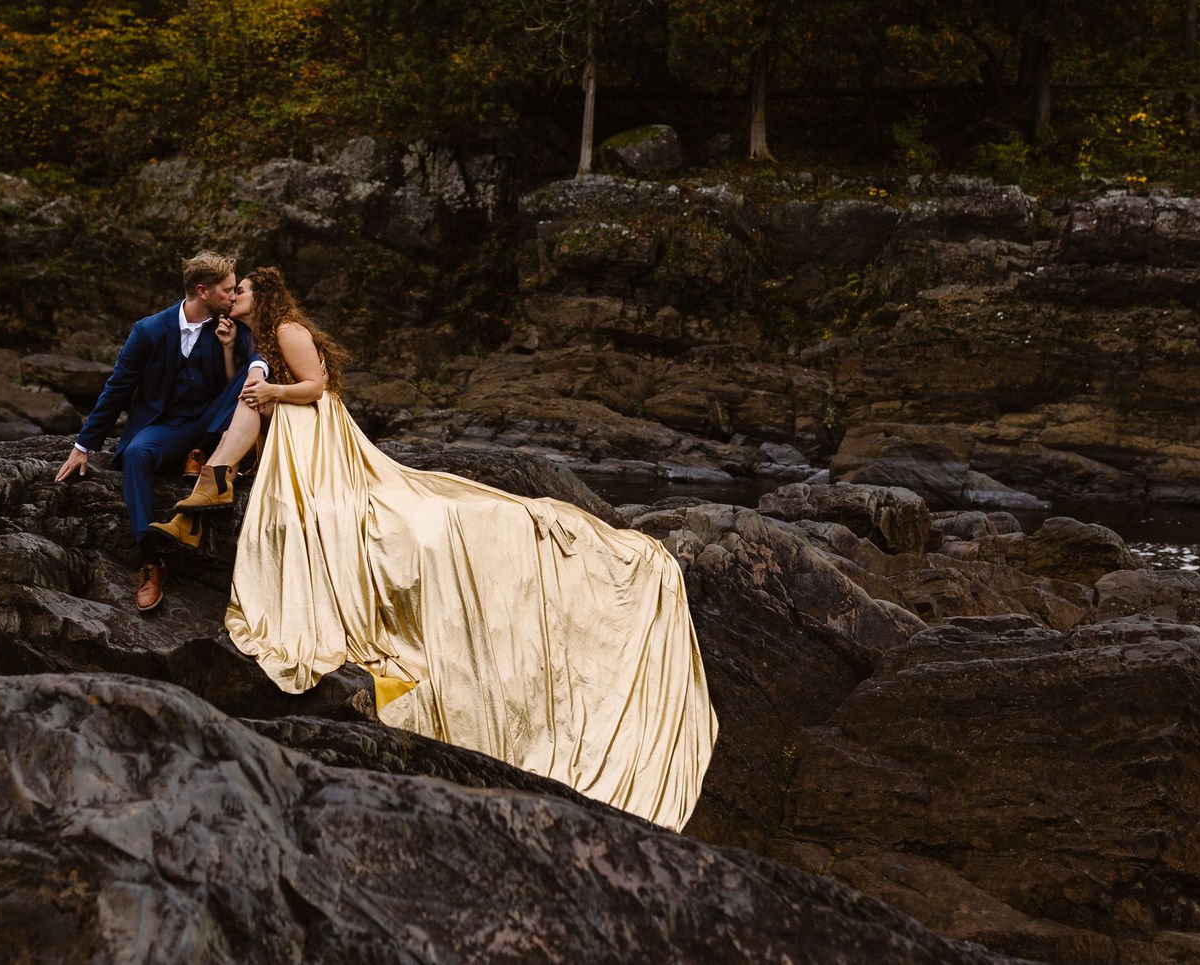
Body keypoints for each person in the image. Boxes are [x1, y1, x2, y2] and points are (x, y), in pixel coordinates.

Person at [212, 267, 718, 831]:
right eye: (233, 292)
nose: (235, 296)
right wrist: (238, 359)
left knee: (393, 516)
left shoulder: (288, 331)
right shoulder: (257, 334)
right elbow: (240, 390)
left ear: (264, 295)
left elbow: (317, 388)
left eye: (243, 290)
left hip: (323, 438)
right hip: (299, 437)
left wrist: (275, 392)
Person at [55, 252, 265, 612]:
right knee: (137, 453)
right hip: (165, 428)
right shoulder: (149, 330)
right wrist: (83, 445)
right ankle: (151, 561)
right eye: (228, 290)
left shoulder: (233, 326)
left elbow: (261, 352)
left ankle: (200, 452)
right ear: (203, 291)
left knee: (251, 377)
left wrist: (255, 366)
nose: (234, 296)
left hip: (211, 425)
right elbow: (118, 388)